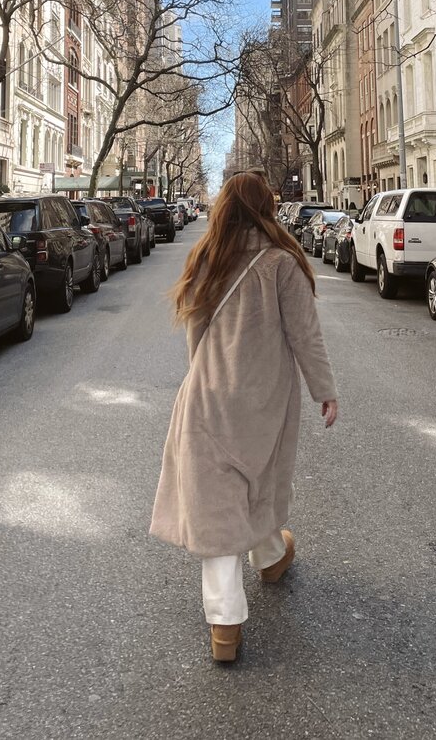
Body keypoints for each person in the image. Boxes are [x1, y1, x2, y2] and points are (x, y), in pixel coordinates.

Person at [150, 172, 338, 663]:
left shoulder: (207, 258)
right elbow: (305, 334)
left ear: (225, 209)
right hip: (266, 395)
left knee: (216, 497)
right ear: (267, 209)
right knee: (257, 479)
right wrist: (326, 391)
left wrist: (205, 377)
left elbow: (195, 335)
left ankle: (226, 623)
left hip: (209, 393)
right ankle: (270, 557)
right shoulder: (282, 262)